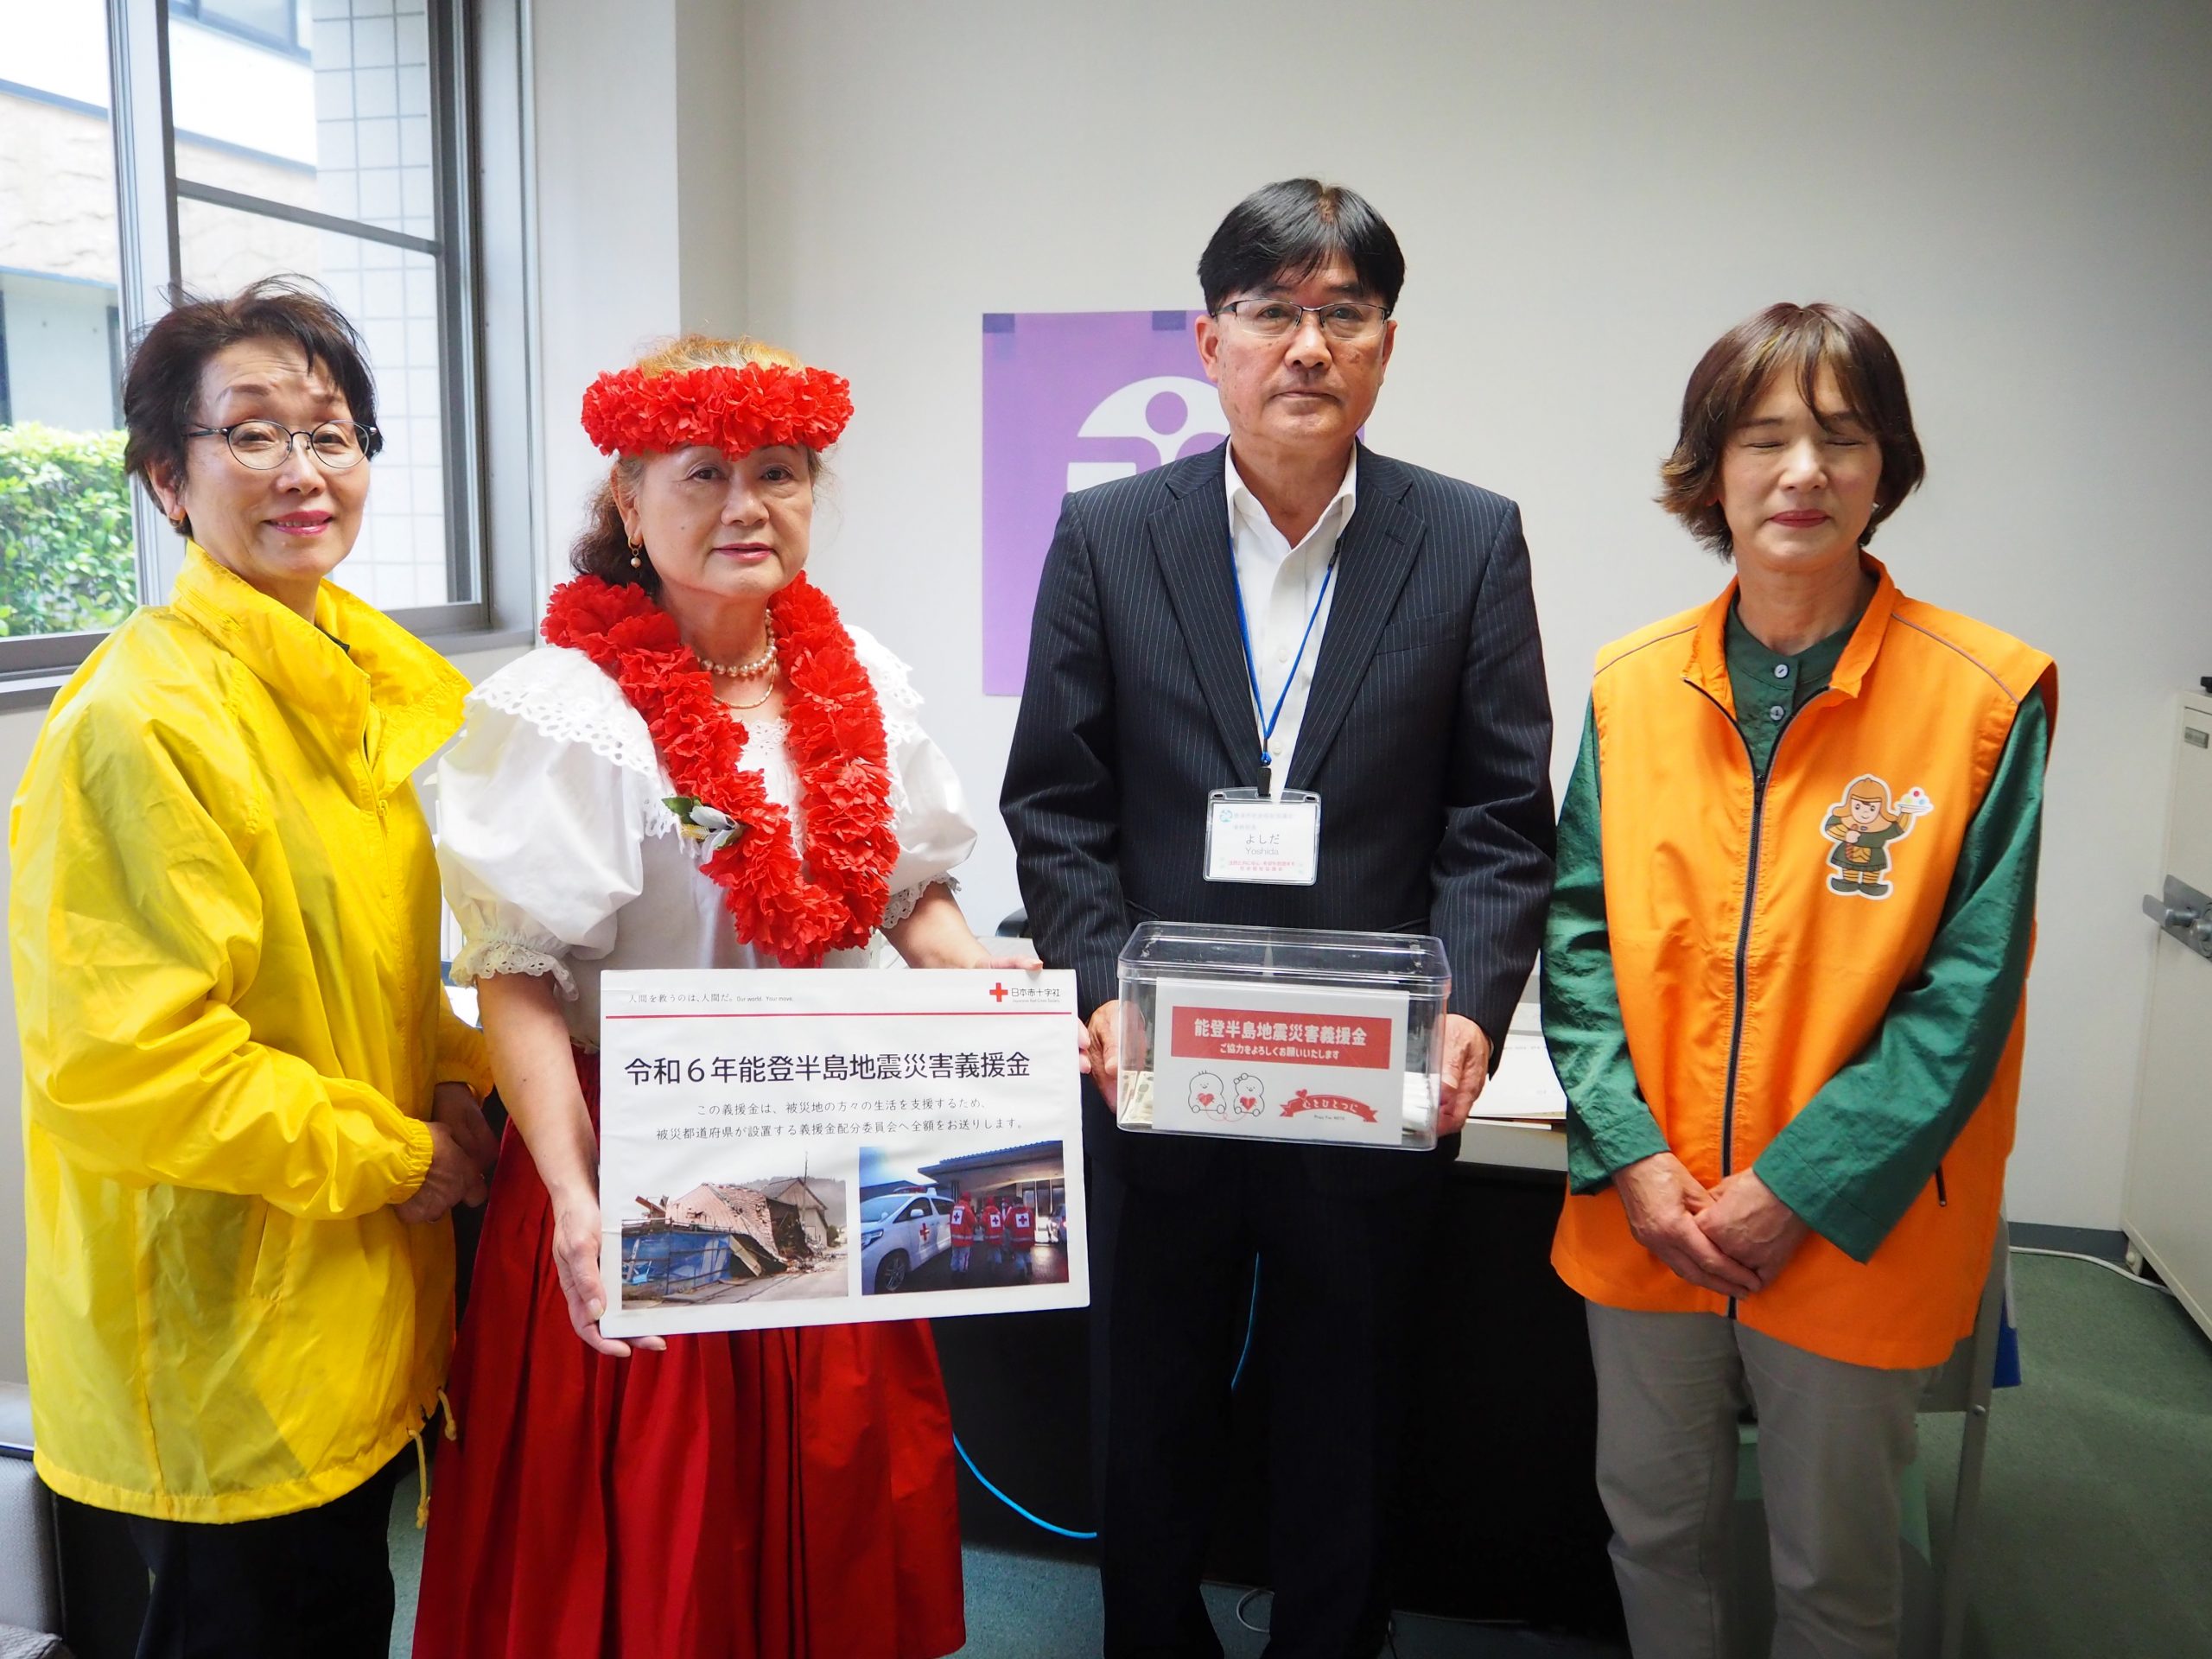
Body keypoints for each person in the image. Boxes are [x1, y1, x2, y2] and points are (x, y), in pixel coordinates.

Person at [410, 334, 1042, 1658]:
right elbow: (515, 971)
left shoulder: (856, 679)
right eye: (704, 473)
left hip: (825, 1134)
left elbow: (903, 892)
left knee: (827, 1486)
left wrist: (987, 989)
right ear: (630, 500)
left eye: (779, 472)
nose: (746, 506)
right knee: (658, 1525)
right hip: (636, 1157)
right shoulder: (569, 710)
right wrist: (572, 1198)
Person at [1001, 179, 1554, 1657]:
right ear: (1211, 340)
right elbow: (1057, 799)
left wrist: (1469, 1005)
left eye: (1343, 314)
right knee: (1149, 1394)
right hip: (1159, 1061)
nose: (1307, 345)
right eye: (1271, 311)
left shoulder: (1468, 539)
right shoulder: (1111, 534)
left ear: (1385, 345)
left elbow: (1501, 816)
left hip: (1367, 1071)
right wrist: (1100, 991)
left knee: (1351, 1403)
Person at [1546, 302, 2053, 1659]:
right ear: (1711, 469)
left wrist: (1798, 1187)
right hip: (1649, 1214)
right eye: (1765, 438)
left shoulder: (1984, 696)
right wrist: (1635, 1158)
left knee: (1836, 1571)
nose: (1804, 473)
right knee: (1653, 1532)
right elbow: (1579, 940)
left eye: (1842, 438)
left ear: (1888, 467)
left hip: (1849, 1220)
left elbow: (1965, 998)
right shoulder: (1630, 687)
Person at [9, 277, 496, 1659]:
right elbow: (134, 1062)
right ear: (169, 480)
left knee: (336, 1611)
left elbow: (380, 975)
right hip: (219, 1329)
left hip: (340, 1288)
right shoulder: (144, 720)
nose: (303, 471)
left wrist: (456, 1076)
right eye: (252, 433)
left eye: (331, 434)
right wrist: (396, 1156)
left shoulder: (354, 689)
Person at [950, 1190, 977, 1277]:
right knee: (964, 1256)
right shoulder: (967, 1209)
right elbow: (973, 1222)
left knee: (955, 1255)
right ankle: (962, 1273)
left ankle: (954, 1270)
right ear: (968, 1200)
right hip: (964, 1238)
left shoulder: (954, 1208)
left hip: (955, 1238)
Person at [1010, 1196, 1037, 1281]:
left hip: (1017, 1239)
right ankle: (1029, 1270)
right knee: (1027, 1254)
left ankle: (1021, 1273)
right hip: (1029, 1239)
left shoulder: (1012, 1212)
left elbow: (1007, 1223)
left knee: (1019, 1256)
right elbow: (1033, 1223)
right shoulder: (1029, 1211)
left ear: (1015, 1203)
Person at [982, 1194, 1007, 1275]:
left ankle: (989, 1266)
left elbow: (983, 1223)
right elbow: (1003, 1222)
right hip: (998, 1236)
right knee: (997, 1251)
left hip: (989, 1236)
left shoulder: (986, 1212)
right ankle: (998, 1267)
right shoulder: (998, 1212)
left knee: (990, 1250)